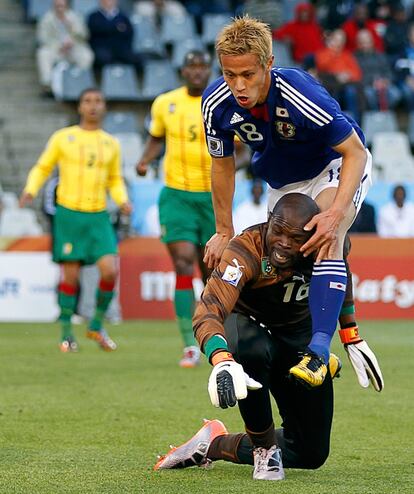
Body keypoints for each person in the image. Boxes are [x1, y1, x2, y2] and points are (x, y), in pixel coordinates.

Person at [154, 193, 383, 480]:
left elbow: (341, 275)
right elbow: (208, 310)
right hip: (250, 333)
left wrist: (351, 333)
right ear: (268, 222)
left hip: (299, 343)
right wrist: (221, 358)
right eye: (278, 231)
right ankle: (263, 449)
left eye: (295, 237)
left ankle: (211, 444)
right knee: (248, 344)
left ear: (311, 234)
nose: (284, 243)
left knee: (310, 453)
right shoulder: (246, 249)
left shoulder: (327, 244)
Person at [201, 16, 372, 387]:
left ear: (268, 63)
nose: (238, 86)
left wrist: (336, 214)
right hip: (283, 182)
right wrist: (223, 229)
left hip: (333, 164)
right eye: (230, 75)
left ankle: (320, 351)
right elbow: (222, 165)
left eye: (248, 74)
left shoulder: (299, 91)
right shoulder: (215, 104)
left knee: (325, 233)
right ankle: (310, 344)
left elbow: (355, 153)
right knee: (282, 259)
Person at [19, 88, 132, 353]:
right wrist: (30, 189)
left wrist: (123, 199)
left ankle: (95, 323)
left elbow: (114, 178)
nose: (93, 106)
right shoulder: (63, 138)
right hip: (69, 214)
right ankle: (67, 333)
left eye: (98, 101)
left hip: (98, 215)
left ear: (104, 107)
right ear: (79, 107)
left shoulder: (111, 143)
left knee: (110, 270)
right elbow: (43, 167)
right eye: (87, 101)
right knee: (70, 276)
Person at [135, 51, 215, 368]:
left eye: (202, 67)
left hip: (212, 197)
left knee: (212, 271)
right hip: (177, 196)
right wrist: (145, 159)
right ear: (182, 71)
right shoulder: (165, 103)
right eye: (191, 67)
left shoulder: (220, 101)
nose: (197, 72)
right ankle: (188, 345)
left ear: (209, 71)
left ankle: (215, 337)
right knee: (183, 264)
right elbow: (157, 137)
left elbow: (240, 146)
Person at [36, 0, 94, 94]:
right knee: (43, 53)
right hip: (56, 49)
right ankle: (48, 85)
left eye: (62, 6)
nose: (59, 8)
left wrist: (72, 29)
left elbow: (85, 35)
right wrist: (59, 45)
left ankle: (79, 81)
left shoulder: (75, 17)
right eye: (57, 6)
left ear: (67, 6)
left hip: (74, 48)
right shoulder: (47, 18)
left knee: (87, 55)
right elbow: (42, 38)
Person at [87, 0, 141, 71]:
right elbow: (94, 31)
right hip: (102, 49)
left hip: (121, 49)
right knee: (103, 58)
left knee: (138, 59)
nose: (108, 1)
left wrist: (107, 28)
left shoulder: (124, 17)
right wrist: (116, 28)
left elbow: (128, 33)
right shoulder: (93, 16)